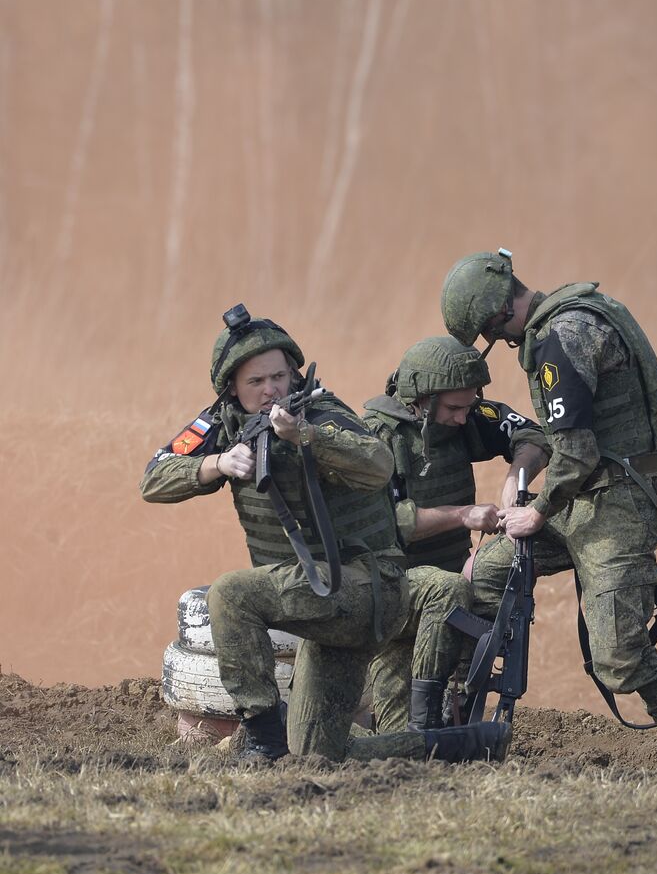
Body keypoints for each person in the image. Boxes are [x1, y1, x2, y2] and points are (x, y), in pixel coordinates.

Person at [139, 307, 506, 763]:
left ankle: (259, 740)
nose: (272, 389)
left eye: (279, 376)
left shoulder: (321, 410)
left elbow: (376, 462)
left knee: (231, 595)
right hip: (320, 605)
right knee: (318, 753)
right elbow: (153, 478)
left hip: (367, 586)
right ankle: (462, 745)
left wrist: (306, 436)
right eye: (257, 382)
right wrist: (216, 464)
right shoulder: (222, 424)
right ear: (232, 387)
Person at [440, 249, 657, 770]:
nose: (500, 343)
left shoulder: (560, 339)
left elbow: (579, 450)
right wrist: (523, 484)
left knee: (619, 657)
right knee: (481, 577)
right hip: (583, 494)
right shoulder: (579, 313)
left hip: (617, 503)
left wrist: (537, 510)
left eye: (491, 335)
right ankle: (454, 721)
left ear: (496, 317)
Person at [360, 336, 548, 732]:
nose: (464, 417)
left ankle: (453, 710)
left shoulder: (461, 415)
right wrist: (463, 514)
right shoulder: (378, 437)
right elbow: (383, 523)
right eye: (454, 408)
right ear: (420, 398)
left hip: (453, 585)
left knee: (451, 722)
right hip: (395, 591)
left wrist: (517, 475)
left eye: (469, 405)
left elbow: (533, 435)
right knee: (401, 738)